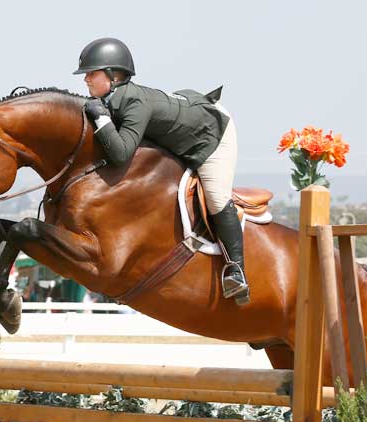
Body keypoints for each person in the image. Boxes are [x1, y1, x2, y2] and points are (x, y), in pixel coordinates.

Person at [74, 37, 249, 305]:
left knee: (215, 197)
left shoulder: (133, 103)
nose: (85, 79)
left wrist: (100, 118)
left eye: (91, 74)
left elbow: (120, 154)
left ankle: (236, 270)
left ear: (113, 74)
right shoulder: (114, 98)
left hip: (212, 133)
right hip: (184, 122)